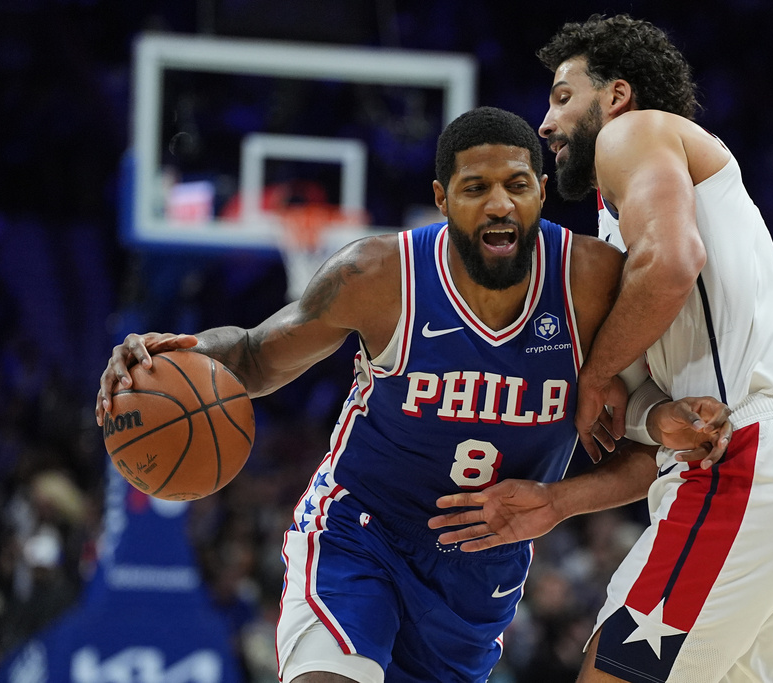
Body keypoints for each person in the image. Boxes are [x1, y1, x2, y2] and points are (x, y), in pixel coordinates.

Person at [94, 106, 732, 683]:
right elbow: (255, 357)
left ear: (541, 190)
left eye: (516, 185)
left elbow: (650, 433)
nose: (499, 205)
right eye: (475, 188)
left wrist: (569, 492)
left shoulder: (591, 283)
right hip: (359, 532)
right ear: (441, 198)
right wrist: (171, 354)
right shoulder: (376, 275)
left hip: (477, 581)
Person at [429, 15, 773, 683]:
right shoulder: (625, 226)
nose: (545, 123)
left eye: (564, 96)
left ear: (619, 96)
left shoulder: (637, 134)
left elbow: (671, 262)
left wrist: (598, 371)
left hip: (752, 461)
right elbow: (668, 438)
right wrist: (561, 500)